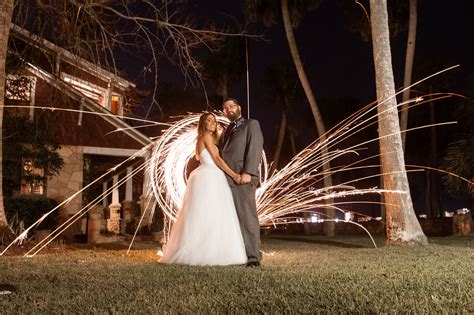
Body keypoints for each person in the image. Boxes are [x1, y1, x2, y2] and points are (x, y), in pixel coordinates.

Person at [160, 112, 247, 266]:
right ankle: (208, 251)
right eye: (209, 120)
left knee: (206, 214)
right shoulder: (206, 137)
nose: (213, 123)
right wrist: (234, 175)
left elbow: (204, 155)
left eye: (214, 120)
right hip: (210, 177)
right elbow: (217, 159)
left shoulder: (206, 138)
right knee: (210, 213)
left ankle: (208, 248)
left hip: (205, 176)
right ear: (203, 124)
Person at [220, 98, 264, 267]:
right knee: (232, 218)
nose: (228, 109)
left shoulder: (251, 124)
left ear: (239, 108)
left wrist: (249, 172)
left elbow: (255, 146)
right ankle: (236, 254)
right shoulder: (227, 129)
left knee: (247, 217)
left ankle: (253, 257)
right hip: (226, 179)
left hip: (242, 177)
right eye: (225, 107)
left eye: (231, 106)